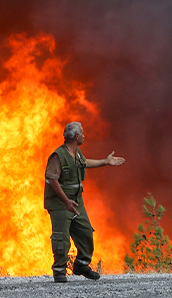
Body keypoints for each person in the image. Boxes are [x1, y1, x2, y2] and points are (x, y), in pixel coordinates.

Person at [44, 121, 125, 283]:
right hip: (61, 204)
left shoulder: (77, 153)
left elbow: (84, 163)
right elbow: (52, 180)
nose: (84, 135)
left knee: (86, 233)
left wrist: (105, 162)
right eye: (82, 133)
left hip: (76, 201)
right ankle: (59, 271)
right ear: (76, 136)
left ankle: (81, 266)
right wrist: (66, 201)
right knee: (61, 238)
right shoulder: (58, 156)